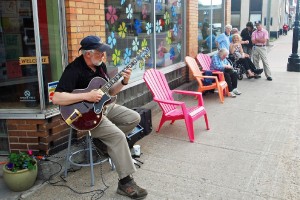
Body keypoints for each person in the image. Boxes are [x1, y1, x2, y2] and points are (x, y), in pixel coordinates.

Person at [52, 35, 148, 199]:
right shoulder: (73, 70)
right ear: (87, 54)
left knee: (134, 118)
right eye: (99, 52)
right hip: (87, 116)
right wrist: (87, 96)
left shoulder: (100, 66)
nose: (103, 55)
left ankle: (102, 143)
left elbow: (109, 93)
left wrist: (124, 81)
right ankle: (125, 182)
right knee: (117, 137)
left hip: (105, 107)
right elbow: (57, 98)